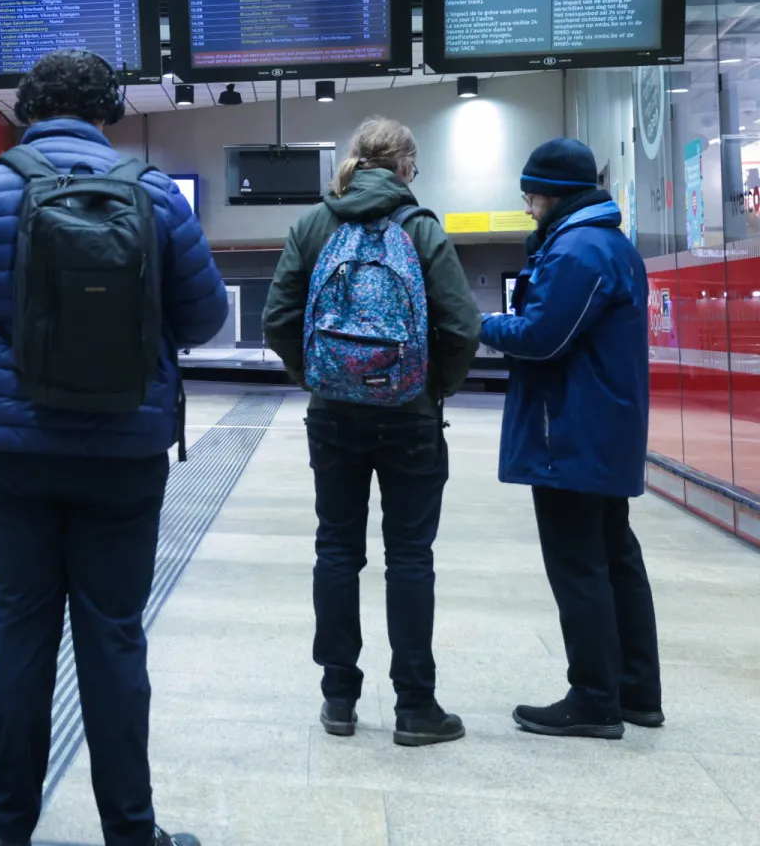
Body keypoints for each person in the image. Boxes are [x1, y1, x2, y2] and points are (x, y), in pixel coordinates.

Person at [0, 50, 226, 846]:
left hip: (11, 450)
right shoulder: (157, 196)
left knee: (19, 627)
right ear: (107, 111)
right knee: (113, 633)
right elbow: (203, 319)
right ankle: (131, 830)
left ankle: (7, 828)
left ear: (28, 108)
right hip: (124, 449)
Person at [261, 117, 482, 746]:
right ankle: (415, 706)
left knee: (336, 549)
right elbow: (462, 326)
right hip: (410, 416)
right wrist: (431, 387)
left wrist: (318, 375)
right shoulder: (421, 227)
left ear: (354, 161)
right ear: (406, 166)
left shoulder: (314, 224)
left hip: (333, 415)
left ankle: (338, 699)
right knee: (409, 556)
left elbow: (277, 318)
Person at [478, 137, 659, 740]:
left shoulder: (578, 250)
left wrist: (479, 323)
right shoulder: (610, 244)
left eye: (530, 196)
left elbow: (542, 337)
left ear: (551, 194)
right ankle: (635, 691)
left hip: (571, 431)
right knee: (615, 557)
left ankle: (593, 699)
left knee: (579, 564)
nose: (528, 208)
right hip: (603, 427)